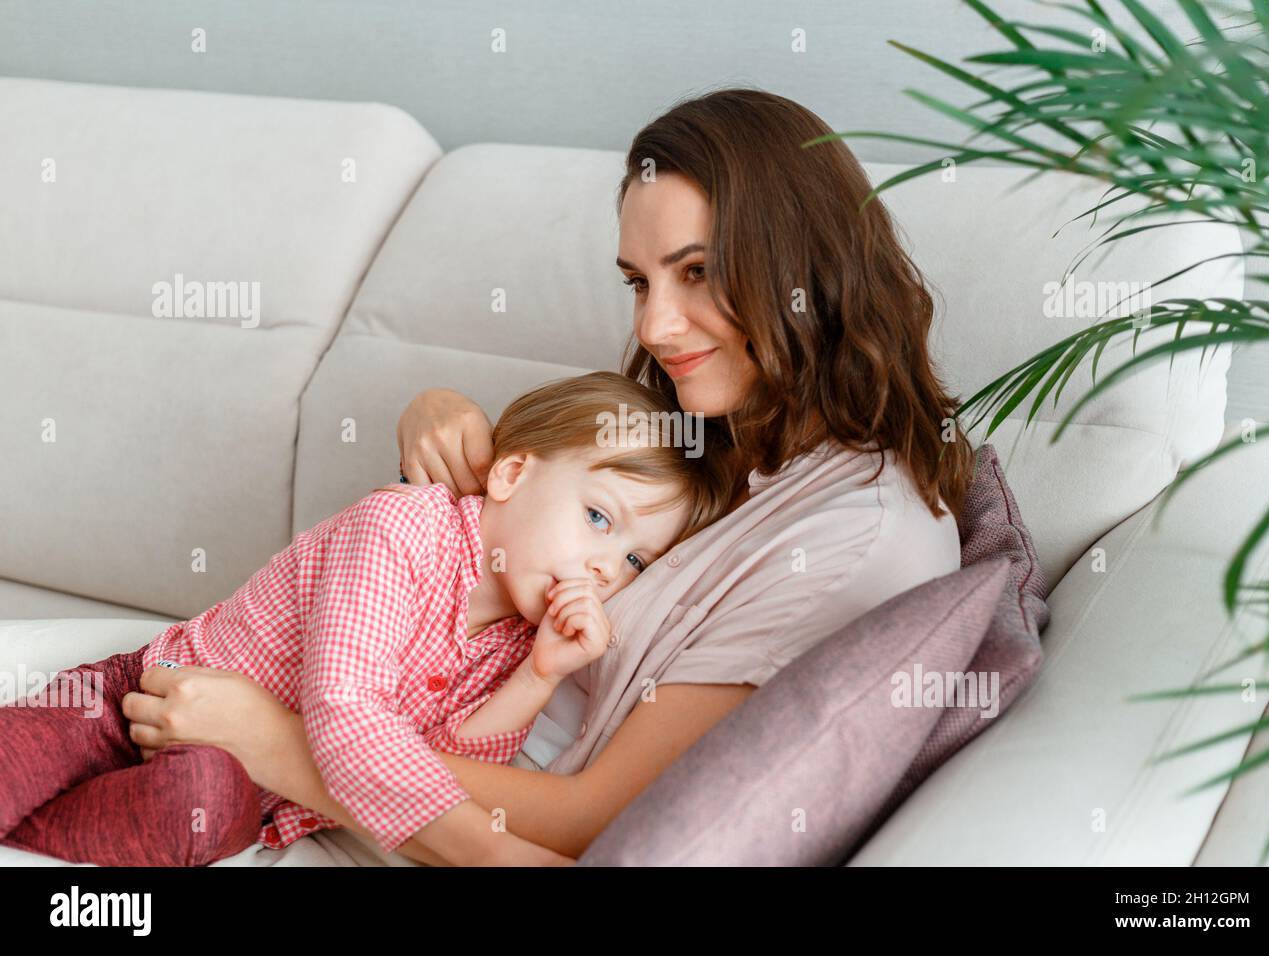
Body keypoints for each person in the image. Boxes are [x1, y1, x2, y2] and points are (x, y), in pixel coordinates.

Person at [122, 87, 974, 863]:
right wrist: (440, 413)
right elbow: (525, 510)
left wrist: (283, 744)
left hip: (399, 802)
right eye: (639, 282)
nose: (657, 324)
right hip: (373, 732)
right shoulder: (726, 426)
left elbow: (588, 815)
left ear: (802, 268)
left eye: (698, 271)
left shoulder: (851, 538)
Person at [0, 372, 729, 866]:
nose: (607, 568)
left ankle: (30, 836)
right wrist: (494, 854)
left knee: (200, 809)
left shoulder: (519, 642)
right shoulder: (404, 527)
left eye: (635, 562)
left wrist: (538, 680)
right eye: (599, 518)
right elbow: (345, 715)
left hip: (241, 789)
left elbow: (451, 765)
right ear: (512, 474)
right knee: (24, 759)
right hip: (136, 700)